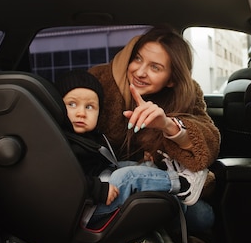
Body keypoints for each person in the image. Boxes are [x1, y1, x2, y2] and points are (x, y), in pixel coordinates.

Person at [88, 25, 220, 233]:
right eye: (138, 59)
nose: (140, 72)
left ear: (172, 79)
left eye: (155, 67)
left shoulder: (187, 94)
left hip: (157, 183)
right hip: (104, 182)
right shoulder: (101, 81)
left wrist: (167, 125)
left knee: (204, 217)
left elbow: (208, 142)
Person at [54, 69, 208, 225]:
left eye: (89, 107)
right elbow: (61, 179)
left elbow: (108, 159)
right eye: (72, 104)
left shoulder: (92, 136)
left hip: (98, 188)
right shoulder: (60, 142)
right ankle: (183, 184)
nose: (81, 113)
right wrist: (97, 190)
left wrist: (140, 157)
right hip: (85, 210)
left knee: (137, 165)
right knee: (127, 177)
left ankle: (170, 187)